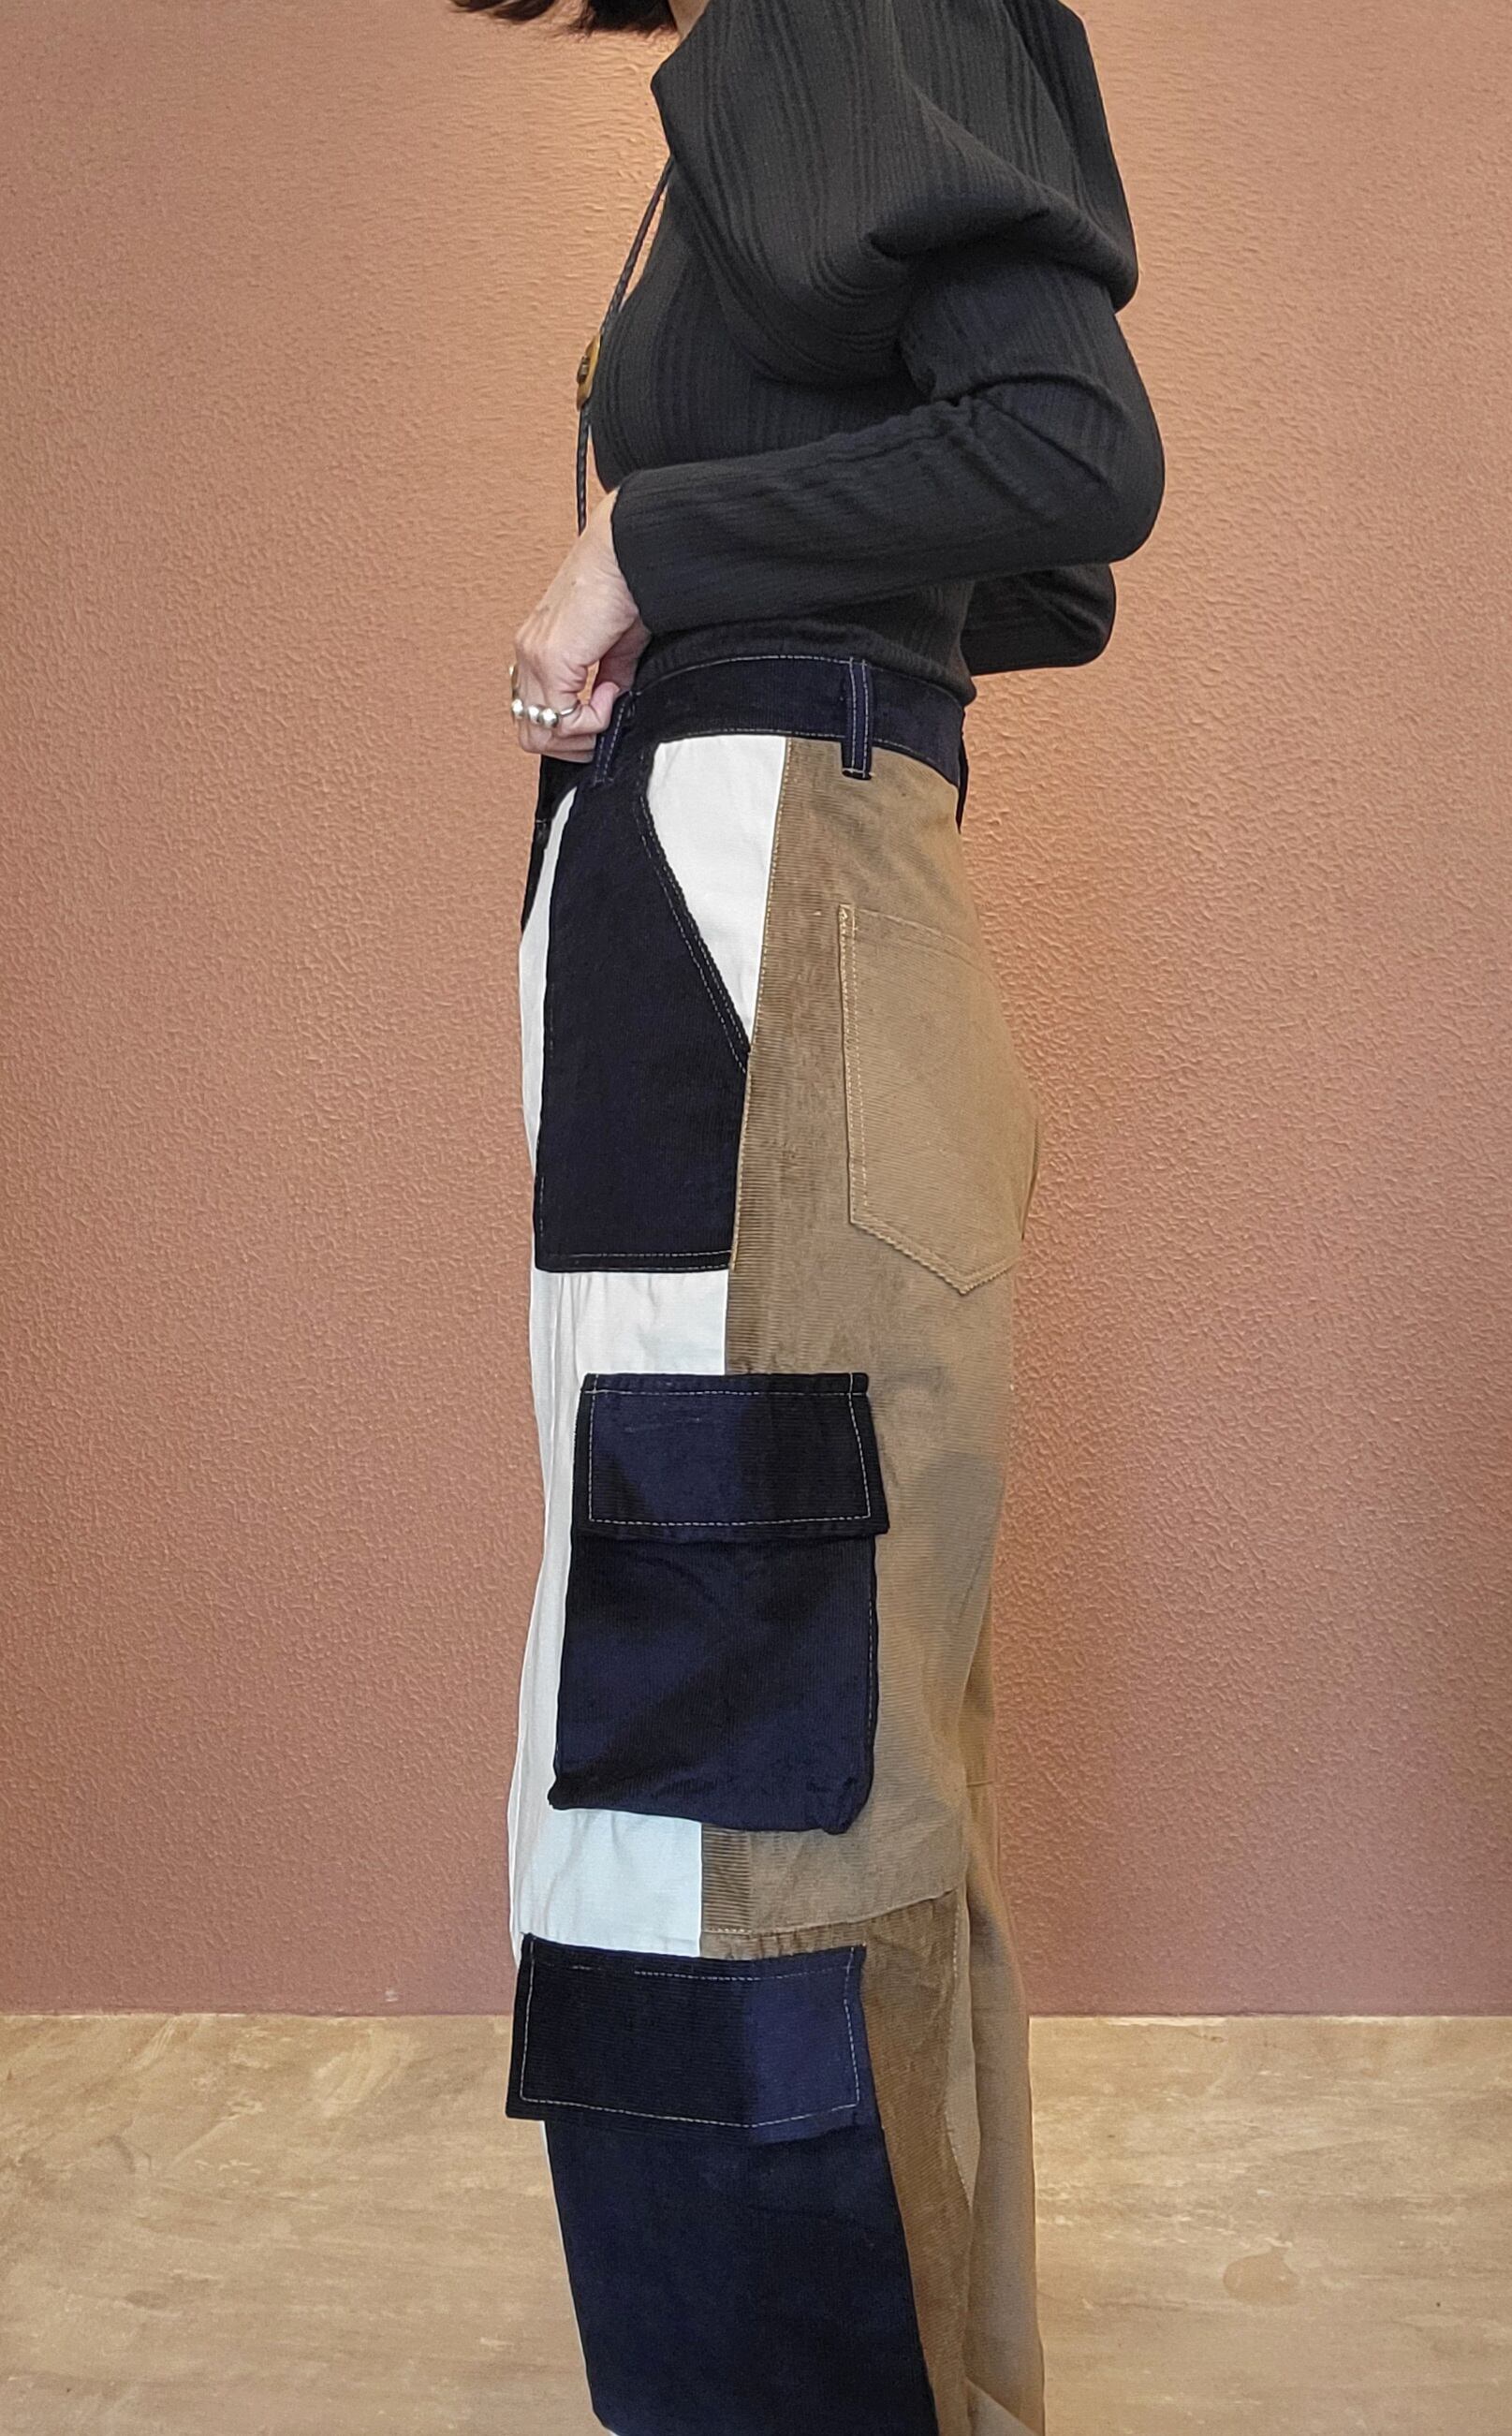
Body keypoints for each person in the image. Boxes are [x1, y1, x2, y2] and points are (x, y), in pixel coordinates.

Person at [460, 2, 1164, 2429]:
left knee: (745, 1765)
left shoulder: (841, 8)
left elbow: (1069, 456)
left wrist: (650, 542)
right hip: (719, 934)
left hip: (763, 937)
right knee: (740, 1736)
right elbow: (1021, 565)